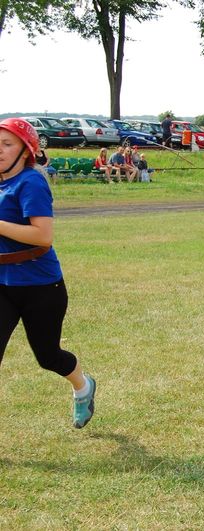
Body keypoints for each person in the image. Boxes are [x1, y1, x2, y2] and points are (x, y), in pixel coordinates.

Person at [0, 118, 96, 429]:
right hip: (3, 284)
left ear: (25, 151)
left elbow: (43, 236)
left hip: (41, 287)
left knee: (48, 356)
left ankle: (82, 387)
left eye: (7, 144)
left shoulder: (31, 182)